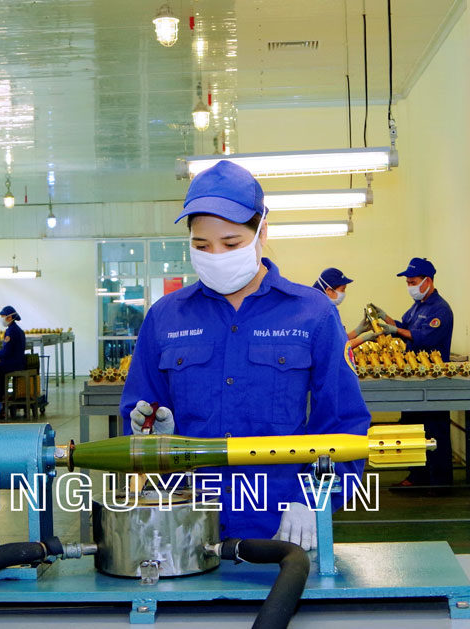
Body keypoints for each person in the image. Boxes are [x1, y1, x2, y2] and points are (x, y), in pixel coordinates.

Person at [119, 160, 371, 549]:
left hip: (281, 528)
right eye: (202, 246)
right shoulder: (165, 318)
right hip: (185, 527)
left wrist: (314, 499)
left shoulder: (313, 314)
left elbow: (345, 424)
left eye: (231, 243)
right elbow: (137, 419)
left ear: (261, 232)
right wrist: (149, 441)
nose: (216, 255)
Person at [370, 257, 454, 489]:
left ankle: (439, 483)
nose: (410, 286)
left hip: (432, 380)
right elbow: (403, 326)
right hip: (414, 377)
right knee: (412, 426)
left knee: (434, 429)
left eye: (413, 282)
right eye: (408, 282)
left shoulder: (440, 309)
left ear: (428, 281)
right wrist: (384, 317)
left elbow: (425, 337)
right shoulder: (418, 306)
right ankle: (416, 477)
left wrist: (395, 329)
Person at [314, 267, 376, 349]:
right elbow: (336, 347)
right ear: (329, 290)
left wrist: (358, 330)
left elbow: (339, 340)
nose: (344, 293)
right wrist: (364, 339)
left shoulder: (328, 308)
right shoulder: (321, 313)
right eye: (342, 290)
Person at [0, 306, 26, 412]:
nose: (1, 318)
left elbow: (5, 352)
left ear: (9, 317)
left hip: (13, 363)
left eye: (3, 316)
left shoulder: (11, 331)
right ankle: (2, 397)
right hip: (18, 362)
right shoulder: (17, 330)